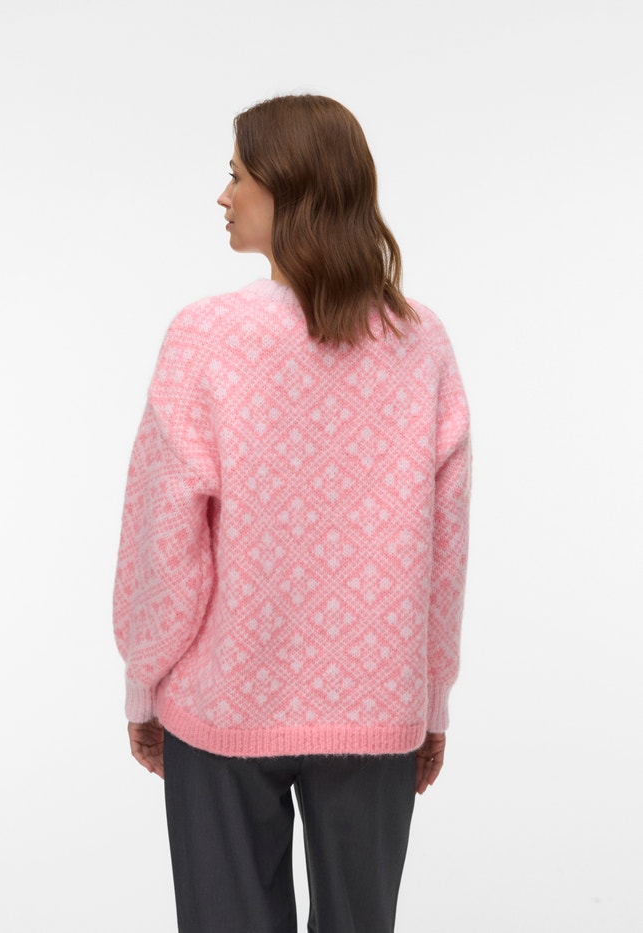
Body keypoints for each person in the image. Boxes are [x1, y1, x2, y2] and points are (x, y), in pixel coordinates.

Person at [113, 94, 471, 933]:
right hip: (377, 705)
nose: (223, 194)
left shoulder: (206, 336)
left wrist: (143, 681)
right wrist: (430, 699)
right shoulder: (421, 341)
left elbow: (163, 536)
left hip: (222, 703)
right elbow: (446, 549)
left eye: (237, 175)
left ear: (289, 190)